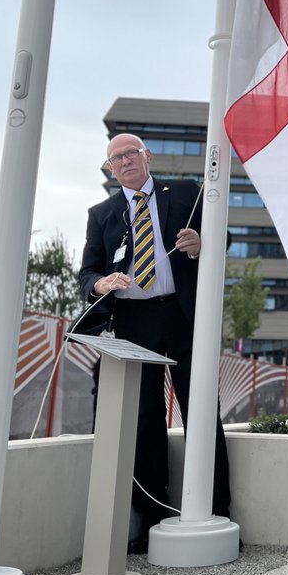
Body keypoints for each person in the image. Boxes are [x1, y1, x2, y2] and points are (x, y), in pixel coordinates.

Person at [79, 133, 231, 553]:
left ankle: (218, 510)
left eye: (130, 153)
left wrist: (202, 246)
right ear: (110, 170)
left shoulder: (183, 192)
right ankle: (151, 520)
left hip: (182, 318)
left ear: (146, 156)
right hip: (133, 323)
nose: (124, 162)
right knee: (144, 422)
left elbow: (225, 237)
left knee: (200, 413)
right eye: (115, 159)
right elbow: (86, 272)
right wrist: (100, 283)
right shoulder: (102, 214)